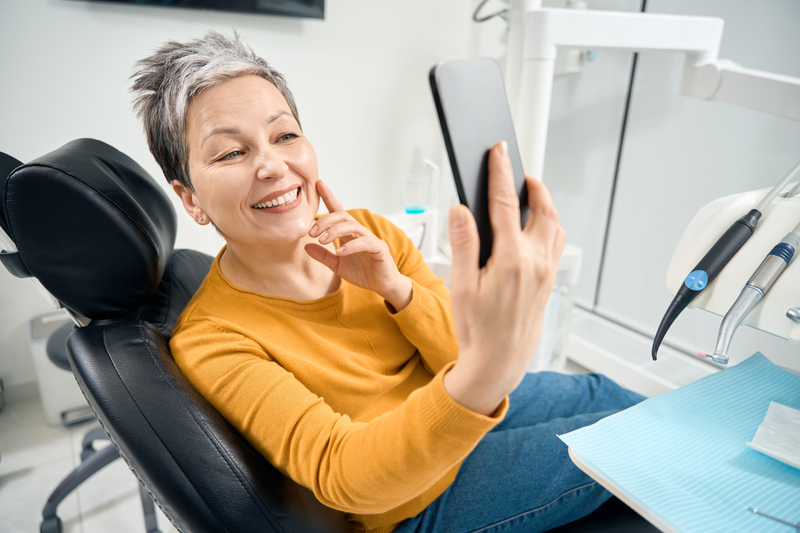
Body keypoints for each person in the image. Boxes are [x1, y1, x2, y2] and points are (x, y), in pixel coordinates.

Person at [130, 31, 644, 533]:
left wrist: (399, 291)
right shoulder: (212, 340)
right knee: (630, 441)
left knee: (615, 398)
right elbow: (345, 475)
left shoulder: (371, 231)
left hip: (456, 403)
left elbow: (457, 359)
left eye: (285, 135)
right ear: (191, 199)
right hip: (415, 501)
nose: (273, 166)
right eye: (230, 153)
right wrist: (486, 372)